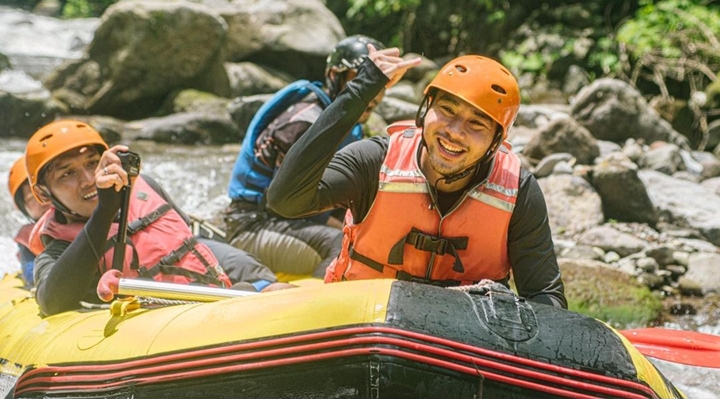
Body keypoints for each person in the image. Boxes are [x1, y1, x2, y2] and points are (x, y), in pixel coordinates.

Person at [267, 46, 567, 308]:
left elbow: (544, 296)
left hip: (460, 340)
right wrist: (359, 93)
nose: (455, 131)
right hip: (360, 322)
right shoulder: (375, 160)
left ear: (495, 142)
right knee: (275, 293)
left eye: (477, 124)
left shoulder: (519, 191)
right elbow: (285, 200)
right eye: (446, 110)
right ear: (425, 111)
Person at [25, 120, 292, 317]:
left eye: (92, 163)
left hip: (217, 304)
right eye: (66, 174)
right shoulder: (58, 248)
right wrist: (104, 211)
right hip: (158, 332)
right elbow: (52, 302)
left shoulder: (146, 187)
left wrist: (262, 284)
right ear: (43, 193)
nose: (87, 180)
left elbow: (190, 244)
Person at [225, 34, 386, 279]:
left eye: (380, 84)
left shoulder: (344, 122)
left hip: (285, 223)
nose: (374, 93)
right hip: (253, 225)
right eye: (360, 78)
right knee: (344, 243)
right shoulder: (304, 120)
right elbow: (284, 204)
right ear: (336, 76)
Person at [7, 155, 52, 287]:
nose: (42, 202)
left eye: (45, 193)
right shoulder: (29, 238)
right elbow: (30, 273)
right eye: (32, 199)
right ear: (24, 208)